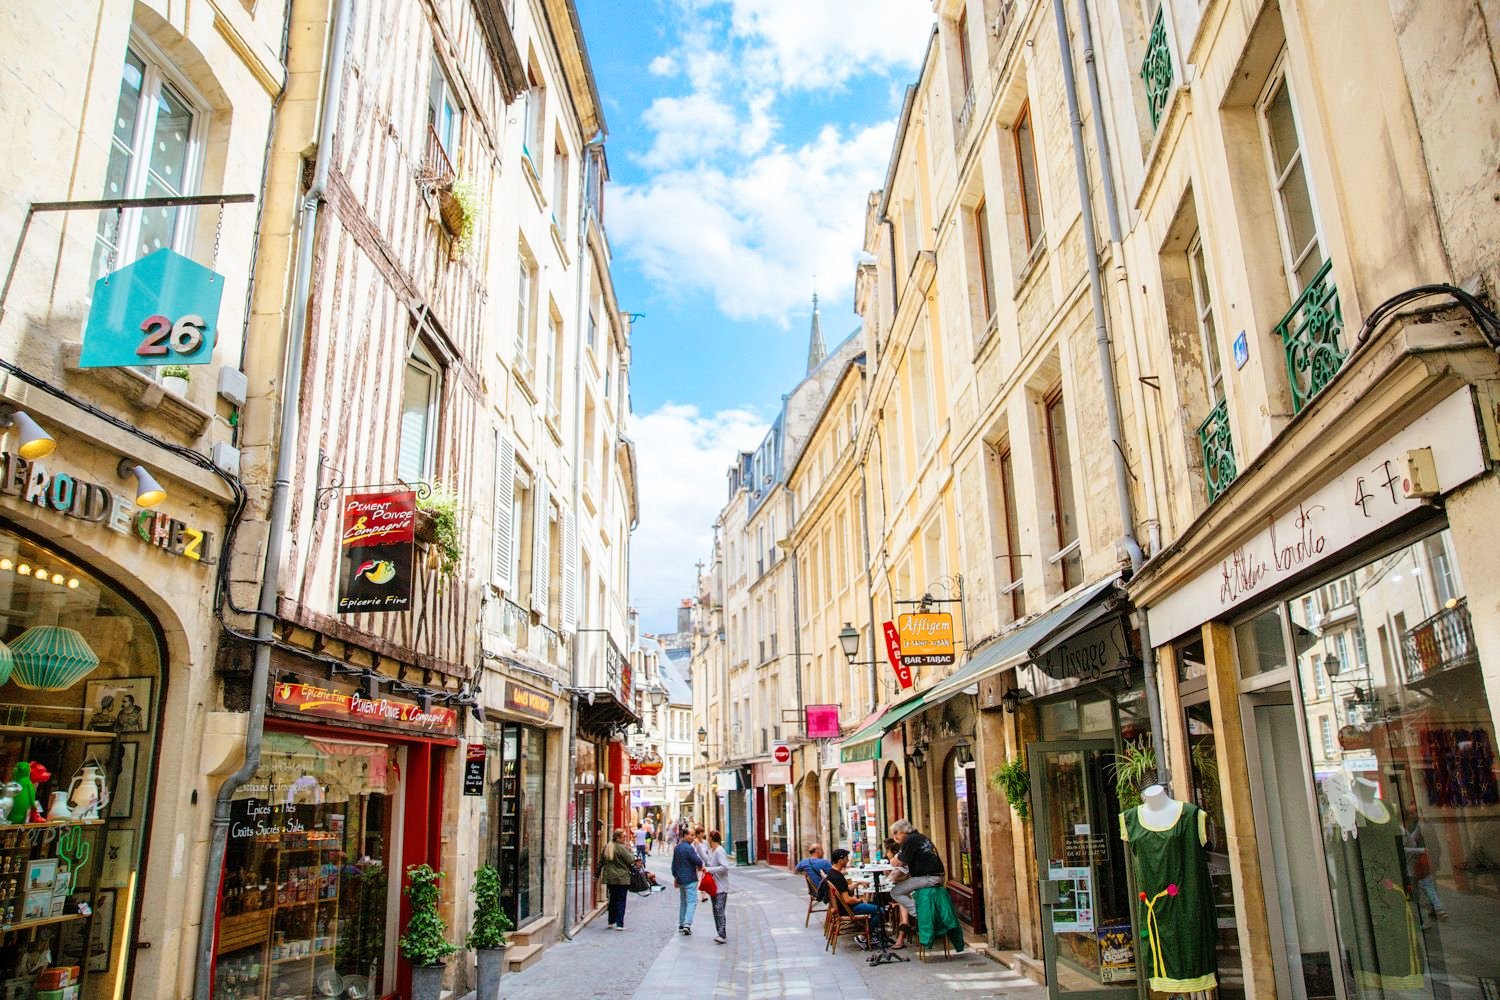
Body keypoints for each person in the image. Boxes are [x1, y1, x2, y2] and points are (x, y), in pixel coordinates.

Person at [888, 818, 945, 948]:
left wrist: (895, 859)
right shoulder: (918, 837)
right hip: (935, 876)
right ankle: (920, 912)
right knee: (903, 889)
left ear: (903, 831)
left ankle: (921, 913)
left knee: (896, 891)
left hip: (929, 877)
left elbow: (900, 861)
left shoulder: (909, 840)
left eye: (896, 833)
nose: (894, 836)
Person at [826, 848, 884, 946]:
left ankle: (872, 934)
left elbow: (844, 889)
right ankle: (864, 937)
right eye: (846, 859)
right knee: (880, 910)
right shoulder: (838, 877)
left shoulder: (832, 873)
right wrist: (860, 900)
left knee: (874, 905)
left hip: (843, 907)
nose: (848, 861)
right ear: (840, 861)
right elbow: (847, 899)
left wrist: (857, 883)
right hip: (848, 909)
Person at [599, 828, 636, 931]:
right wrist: (630, 851)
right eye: (623, 836)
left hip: (610, 878)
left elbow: (601, 862)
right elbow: (630, 860)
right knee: (621, 900)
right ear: (618, 837)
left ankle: (611, 921)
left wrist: (597, 875)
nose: (625, 838)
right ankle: (620, 923)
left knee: (612, 899)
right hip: (622, 878)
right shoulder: (621, 848)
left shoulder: (607, 847)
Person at [671, 825, 705, 934]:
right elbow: (697, 861)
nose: (693, 837)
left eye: (694, 835)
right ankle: (687, 924)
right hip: (690, 878)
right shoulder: (689, 848)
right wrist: (700, 865)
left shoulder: (677, 848)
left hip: (681, 879)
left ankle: (681, 923)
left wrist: (675, 877)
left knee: (683, 901)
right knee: (692, 901)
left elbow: (674, 865)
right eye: (691, 835)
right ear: (685, 835)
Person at [703, 830, 733, 944]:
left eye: (708, 837)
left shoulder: (720, 851)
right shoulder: (711, 850)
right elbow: (706, 861)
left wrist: (710, 869)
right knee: (716, 910)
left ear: (711, 838)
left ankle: (722, 935)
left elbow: (725, 867)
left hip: (721, 886)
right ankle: (719, 933)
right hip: (713, 886)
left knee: (719, 909)